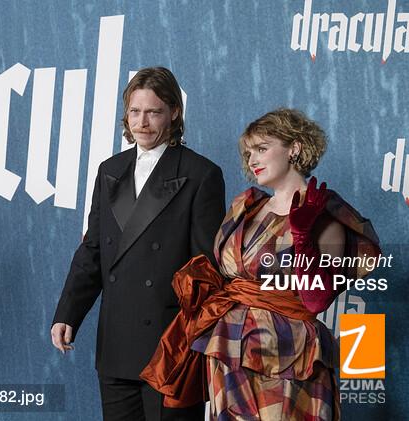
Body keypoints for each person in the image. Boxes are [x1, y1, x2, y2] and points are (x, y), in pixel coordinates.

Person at [141, 108, 381, 420]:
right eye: (249, 152)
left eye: (262, 149)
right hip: (228, 346)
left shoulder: (325, 216)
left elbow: (316, 300)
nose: (252, 160)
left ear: (294, 148)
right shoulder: (246, 206)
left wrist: (303, 236)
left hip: (287, 354)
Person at [51, 67, 226, 420]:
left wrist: (194, 341)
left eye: (153, 112)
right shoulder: (109, 170)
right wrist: (68, 312)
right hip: (116, 342)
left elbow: (206, 269)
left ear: (174, 112)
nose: (142, 123)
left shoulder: (201, 175)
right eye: (135, 111)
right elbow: (93, 250)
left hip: (170, 348)